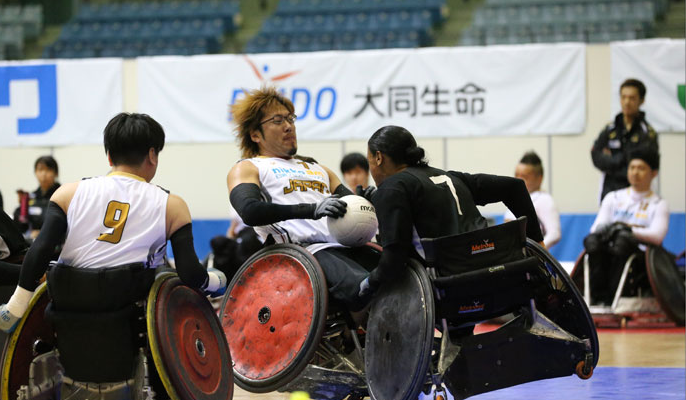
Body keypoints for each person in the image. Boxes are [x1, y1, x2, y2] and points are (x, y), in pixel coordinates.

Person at [0, 113, 226, 333]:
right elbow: (190, 273)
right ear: (152, 155)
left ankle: (15, 309)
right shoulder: (172, 205)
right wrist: (217, 280)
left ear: (109, 156)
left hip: (68, 304)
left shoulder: (66, 193)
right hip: (131, 312)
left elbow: (39, 252)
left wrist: (17, 304)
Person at [226, 85, 371, 313]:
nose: (288, 126)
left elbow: (350, 204)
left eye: (290, 119)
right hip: (300, 253)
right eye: (277, 120)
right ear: (255, 134)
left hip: (343, 246)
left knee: (397, 272)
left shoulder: (318, 168)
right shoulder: (249, 167)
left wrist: (364, 202)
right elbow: (251, 211)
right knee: (365, 286)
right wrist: (311, 209)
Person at [357, 125, 544, 302]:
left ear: (379, 157)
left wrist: (368, 282)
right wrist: (539, 244)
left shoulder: (392, 188)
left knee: (367, 284)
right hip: (497, 271)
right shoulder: (451, 177)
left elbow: (394, 261)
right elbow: (515, 187)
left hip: (449, 285)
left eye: (369, 161)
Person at [583, 147, 668, 305]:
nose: (635, 172)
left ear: (654, 173)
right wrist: (612, 230)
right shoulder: (613, 197)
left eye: (641, 168)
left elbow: (657, 236)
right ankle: (596, 297)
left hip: (639, 256)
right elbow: (596, 228)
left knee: (622, 240)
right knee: (592, 241)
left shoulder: (658, 204)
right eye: (632, 167)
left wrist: (628, 229)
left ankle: (614, 297)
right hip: (610, 247)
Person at [591, 78, 659, 203]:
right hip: (610, 192)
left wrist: (613, 161)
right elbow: (596, 155)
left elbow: (647, 165)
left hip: (638, 194)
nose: (627, 102)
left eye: (632, 98)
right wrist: (621, 159)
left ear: (642, 101)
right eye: (623, 97)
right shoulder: (610, 129)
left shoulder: (647, 133)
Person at [503, 151, 561, 249]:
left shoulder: (544, 199)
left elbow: (554, 233)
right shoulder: (514, 198)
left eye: (525, 177)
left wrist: (537, 250)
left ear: (539, 178)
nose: (518, 180)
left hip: (530, 258)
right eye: (516, 175)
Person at [13, 155, 61, 241]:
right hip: (33, 242)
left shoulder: (61, 195)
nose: (44, 174)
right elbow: (21, 225)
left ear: (56, 173)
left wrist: (42, 233)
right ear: (35, 172)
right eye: (40, 169)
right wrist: (22, 208)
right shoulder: (31, 197)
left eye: (48, 170)